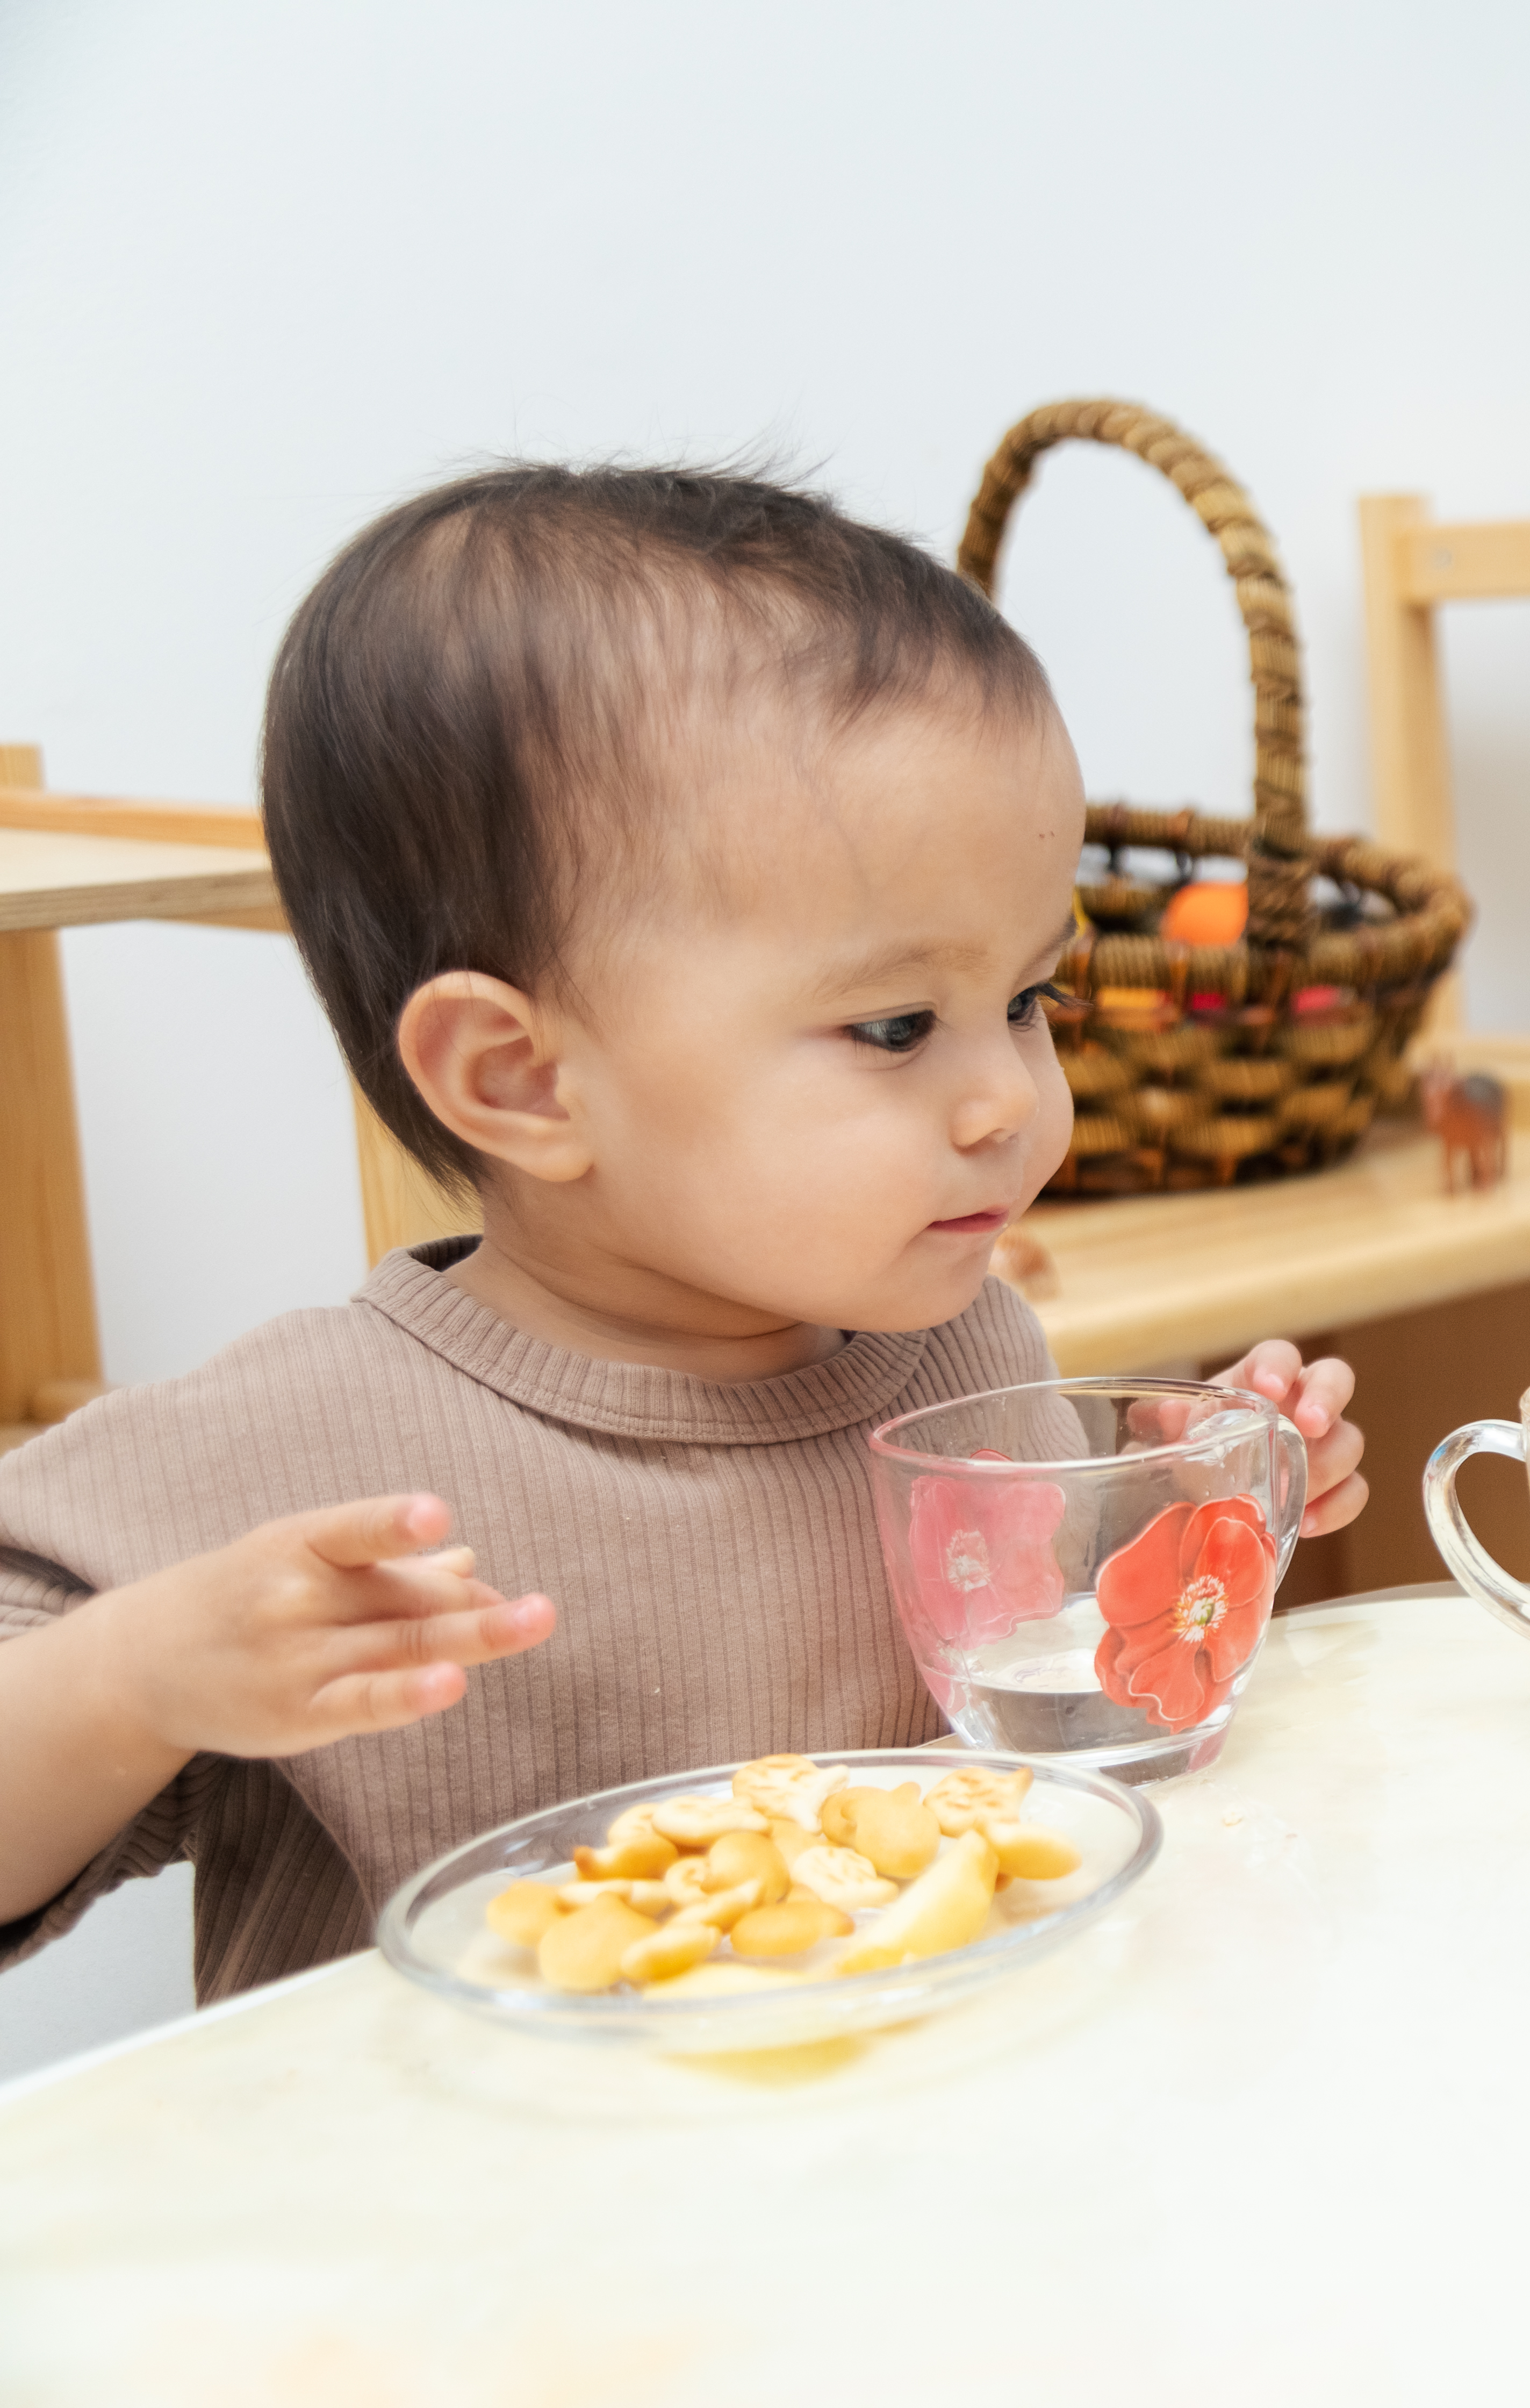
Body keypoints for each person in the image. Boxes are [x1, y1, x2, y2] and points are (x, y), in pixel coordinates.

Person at [0, 465, 1370, 1998]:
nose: (1012, 1101)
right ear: (523, 1080)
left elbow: (1027, 1673)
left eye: (1030, 1001)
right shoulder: (310, 1448)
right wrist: (130, 1678)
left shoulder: (968, 1353)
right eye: (897, 1024)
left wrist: (1202, 1505)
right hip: (465, 2218)